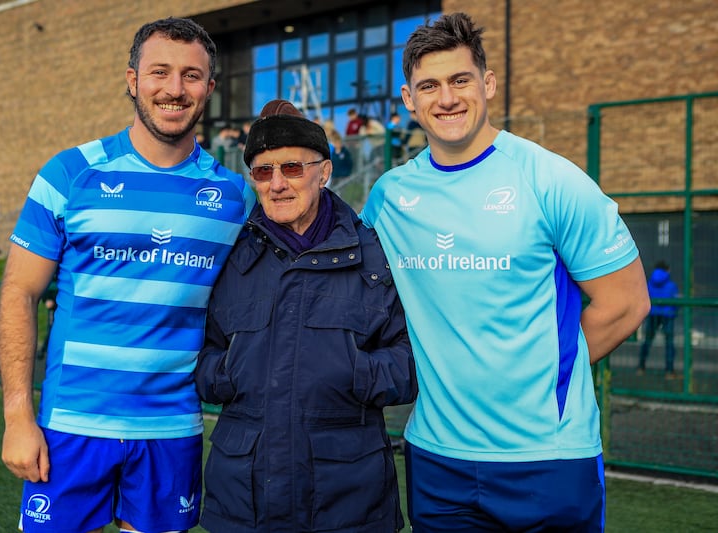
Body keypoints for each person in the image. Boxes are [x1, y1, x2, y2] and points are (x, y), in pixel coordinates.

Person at [360, 13, 650, 532]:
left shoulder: (551, 179)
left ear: (487, 84)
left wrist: (541, 373)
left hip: (548, 455)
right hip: (437, 455)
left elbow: (626, 302)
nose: (446, 98)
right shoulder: (390, 196)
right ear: (409, 100)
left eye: (460, 80)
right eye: (429, 86)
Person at [0, 17, 256, 533]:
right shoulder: (69, 174)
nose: (175, 89)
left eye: (191, 75)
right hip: (72, 425)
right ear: (133, 80)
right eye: (160, 72)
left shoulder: (235, 197)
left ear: (210, 88)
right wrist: (17, 417)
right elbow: (20, 293)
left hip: (171, 429)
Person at [195, 99, 417, 533]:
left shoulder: (375, 251)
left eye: (292, 168)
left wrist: (352, 371)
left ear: (324, 171)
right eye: (263, 171)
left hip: (348, 498)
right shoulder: (230, 254)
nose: (277, 184)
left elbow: (410, 357)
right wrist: (229, 372)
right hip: (243, 499)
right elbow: (202, 350)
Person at [637, 261, 679, 378]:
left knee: (647, 341)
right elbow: (675, 301)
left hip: (652, 314)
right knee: (669, 343)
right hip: (667, 315)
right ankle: (669, 371)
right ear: (668, 270)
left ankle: (641, 367)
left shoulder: (649, 283)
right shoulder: (671, 285)